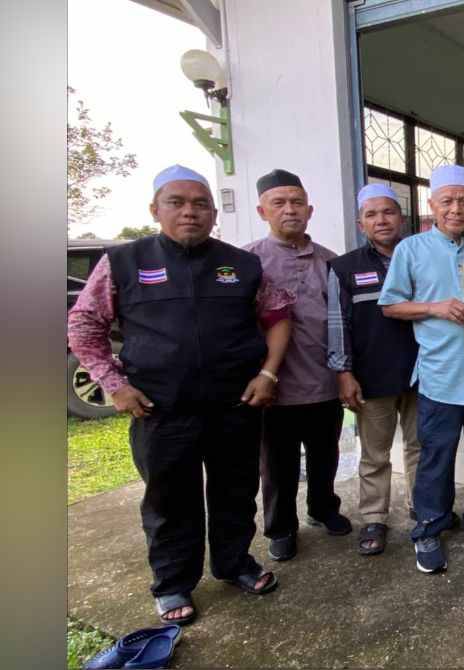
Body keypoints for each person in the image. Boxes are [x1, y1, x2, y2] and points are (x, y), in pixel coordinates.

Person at [68, 165, 294, 625]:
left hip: (236, 406)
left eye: (200, 204)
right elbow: (83, 325)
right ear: (155, 209)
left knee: (235, 492)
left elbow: (278, 317)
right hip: (160, 410)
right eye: (177, 202)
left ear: (215, 213)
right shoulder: (124, 261)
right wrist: (115, 385)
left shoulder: (243, 264)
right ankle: (172, 583)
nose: (189, 212)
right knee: (171, 500)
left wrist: (268, 374)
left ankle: (235, 565)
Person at [379, 165, 464, 574]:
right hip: (441, 373)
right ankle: (429, 527)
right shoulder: (411, 250)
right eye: (448, 201)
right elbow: (390, 305)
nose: (457, 209)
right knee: (436, 457)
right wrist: (434, 307)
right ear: (432, 205)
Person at [243, 169, 351, 563]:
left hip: (323, 381)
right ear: (262, 211)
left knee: (326, 455)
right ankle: (280, 527)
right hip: (273, 387)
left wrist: (344, 373)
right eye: (279, 203)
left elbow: (344, 322)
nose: (290, 210)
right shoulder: (247, 261)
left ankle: (323, 509)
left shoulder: (331, 262)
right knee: (277, 465)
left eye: (297, 202)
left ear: (310, 209)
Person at [327, 183, 421, 556]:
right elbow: (337, 324)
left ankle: (423, 509)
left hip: (421, 373)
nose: (381, 220)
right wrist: (343, 373)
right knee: (375, 454)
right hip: (372, 377)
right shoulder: (344, 267)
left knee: (420, 448)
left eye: (389, 212)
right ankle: (374, 517)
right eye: (372, 214)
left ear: (401, 218)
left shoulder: (420, 257)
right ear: (361, 222)